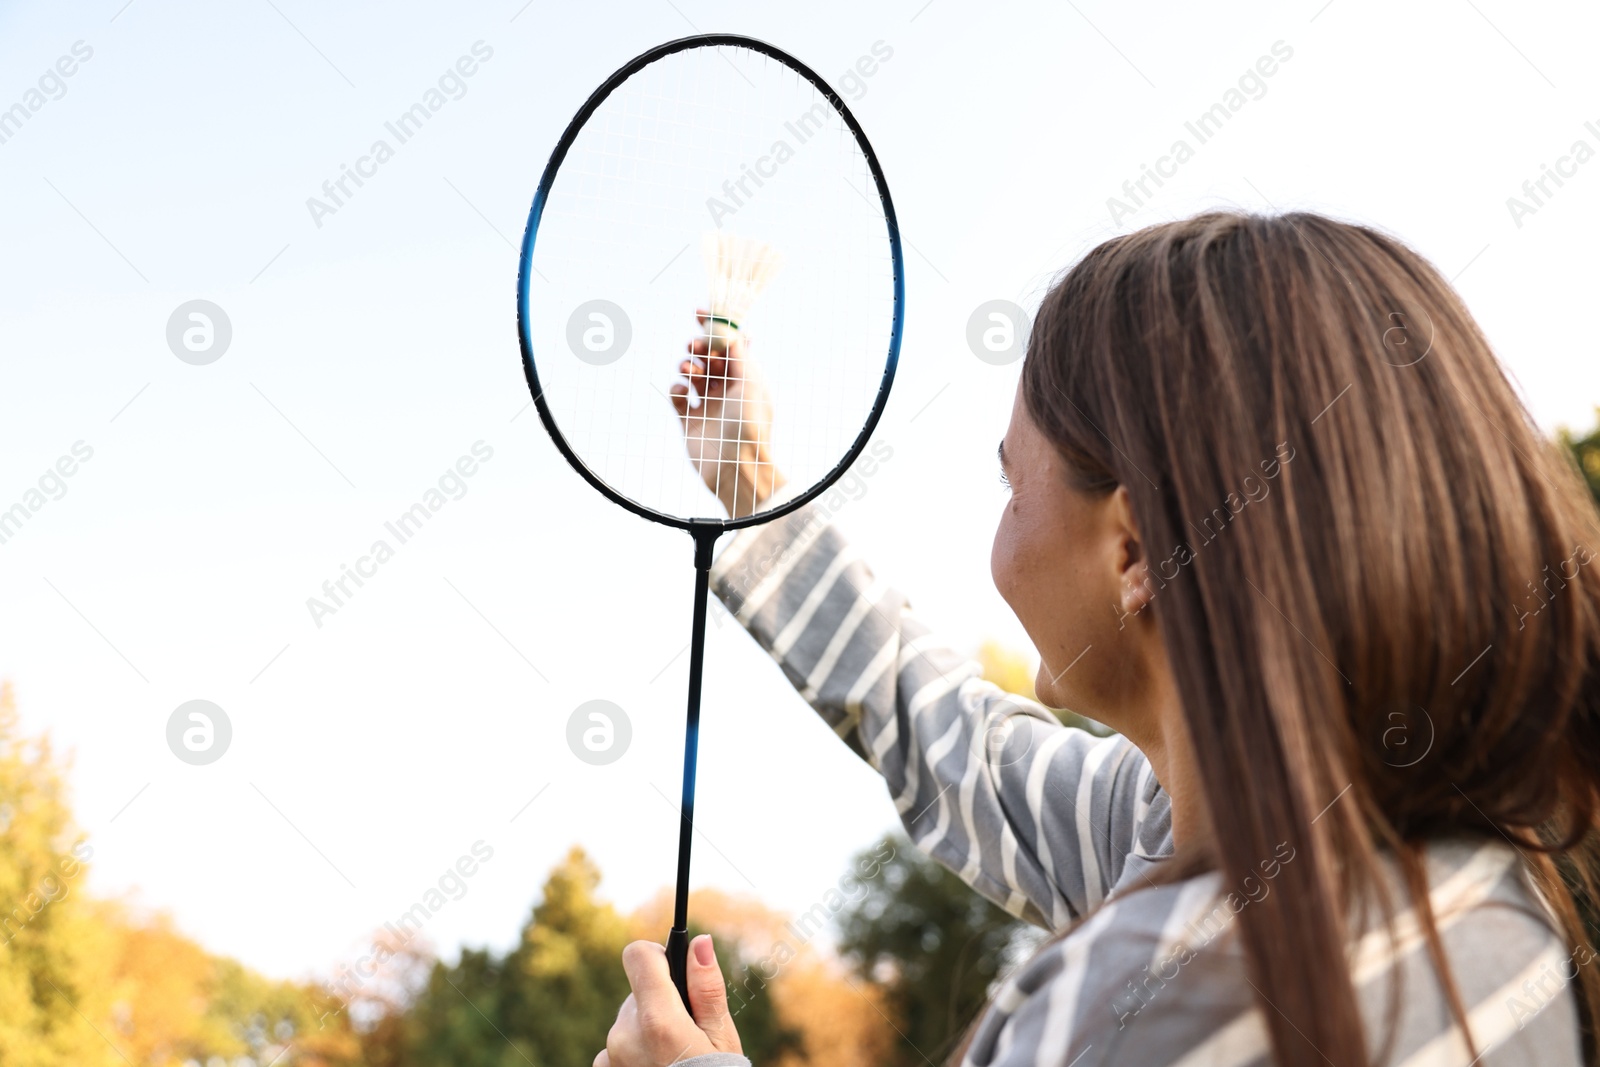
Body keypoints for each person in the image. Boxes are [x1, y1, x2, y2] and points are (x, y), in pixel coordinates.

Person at [593, 212, 1600, 1067]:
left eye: (1009, 485)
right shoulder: (1476, 877)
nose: (999, 535)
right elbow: (953, 740)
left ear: (1133, 548)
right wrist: (753, 490)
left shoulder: (1132, 1002)